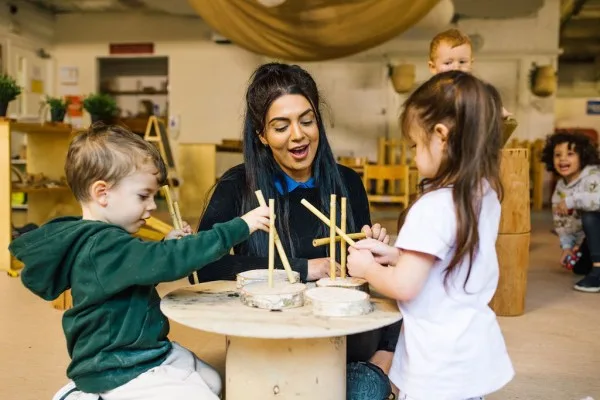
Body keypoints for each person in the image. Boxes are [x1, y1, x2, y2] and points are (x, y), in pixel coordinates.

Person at [10, 123, 270, 400]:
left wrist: (166, 244)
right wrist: (239, 227)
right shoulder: (102, 246)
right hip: (117, 366)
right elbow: (169, 261)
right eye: (143, 196)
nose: (152, 206)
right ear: (102, 193)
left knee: (212, 381)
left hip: (143, 350)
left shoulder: (106, 240)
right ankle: (90, 395)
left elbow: (140, 269)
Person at [190, 62, 401, 395]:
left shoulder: (347, 182)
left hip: (344, 346)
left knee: (366, 389)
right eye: (281, 126)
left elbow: (386, 285)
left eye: (307, 120)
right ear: (261, 134)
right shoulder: (237, 186)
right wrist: (302, 269)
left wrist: (386, 351)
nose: (298, 135)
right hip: (269, 345)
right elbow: (203, 267)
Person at [347, 70, 515, 399]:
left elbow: (404, 286)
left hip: (436, 361)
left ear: (441, 136)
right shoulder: (483, 193)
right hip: (471, 349)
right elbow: (451, 253)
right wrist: (399, 255)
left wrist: (367, 269)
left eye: (415, 145)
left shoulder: (431, 207)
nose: (413, 155)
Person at [541, 131, 600, 292]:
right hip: (588, 240)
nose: (562, 159)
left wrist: (572, 200)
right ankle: (594, 265)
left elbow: (597, 199)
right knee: (579, 267)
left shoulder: (594, 175)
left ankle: (598, 272)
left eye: (570, 154)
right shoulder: (561, 187)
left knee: (590, 215)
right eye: (557, 155)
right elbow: (562, 222)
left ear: (583, 156)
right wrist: (568, 246)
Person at [428, 28, 513, 122]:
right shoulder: (429, 93)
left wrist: (497, 112)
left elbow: (488, 106)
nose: (456, 67)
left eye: (462, 62)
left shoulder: (477, 91)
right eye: (448, 63)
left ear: (471, 64)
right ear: (433, 67)